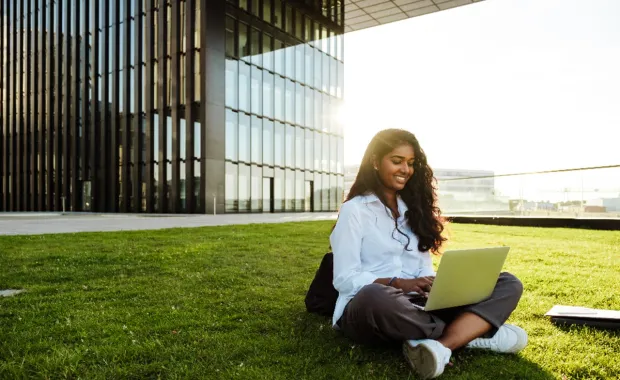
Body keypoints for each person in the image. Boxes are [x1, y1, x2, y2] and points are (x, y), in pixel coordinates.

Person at [330, 129, 527, 379]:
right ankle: (471, 334)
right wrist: (399, 283)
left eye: (411, 163)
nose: (405, 169)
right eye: (397, 161)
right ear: (375, 162)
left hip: (418, 306)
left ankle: (442, 345)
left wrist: (435, 286)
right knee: (375, 296)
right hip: (369, 307)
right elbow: (345, 279)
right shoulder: (354, 210)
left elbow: (422, 266)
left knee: (507, 282)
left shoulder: (413, 211)